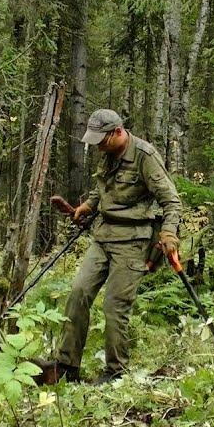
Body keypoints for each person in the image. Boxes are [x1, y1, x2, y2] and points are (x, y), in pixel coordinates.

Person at [52, 108, 181, 385]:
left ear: (118, 132)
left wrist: (169, 234)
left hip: (133, 241)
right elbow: (102, 189)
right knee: (78, 292)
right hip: (103, 235)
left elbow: (172, 201)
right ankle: (66, 366)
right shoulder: (108, 155)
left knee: (114, 306)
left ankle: (115, 372)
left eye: (101, 140)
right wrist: (88, 205)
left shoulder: (145, 156)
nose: (98, 147)